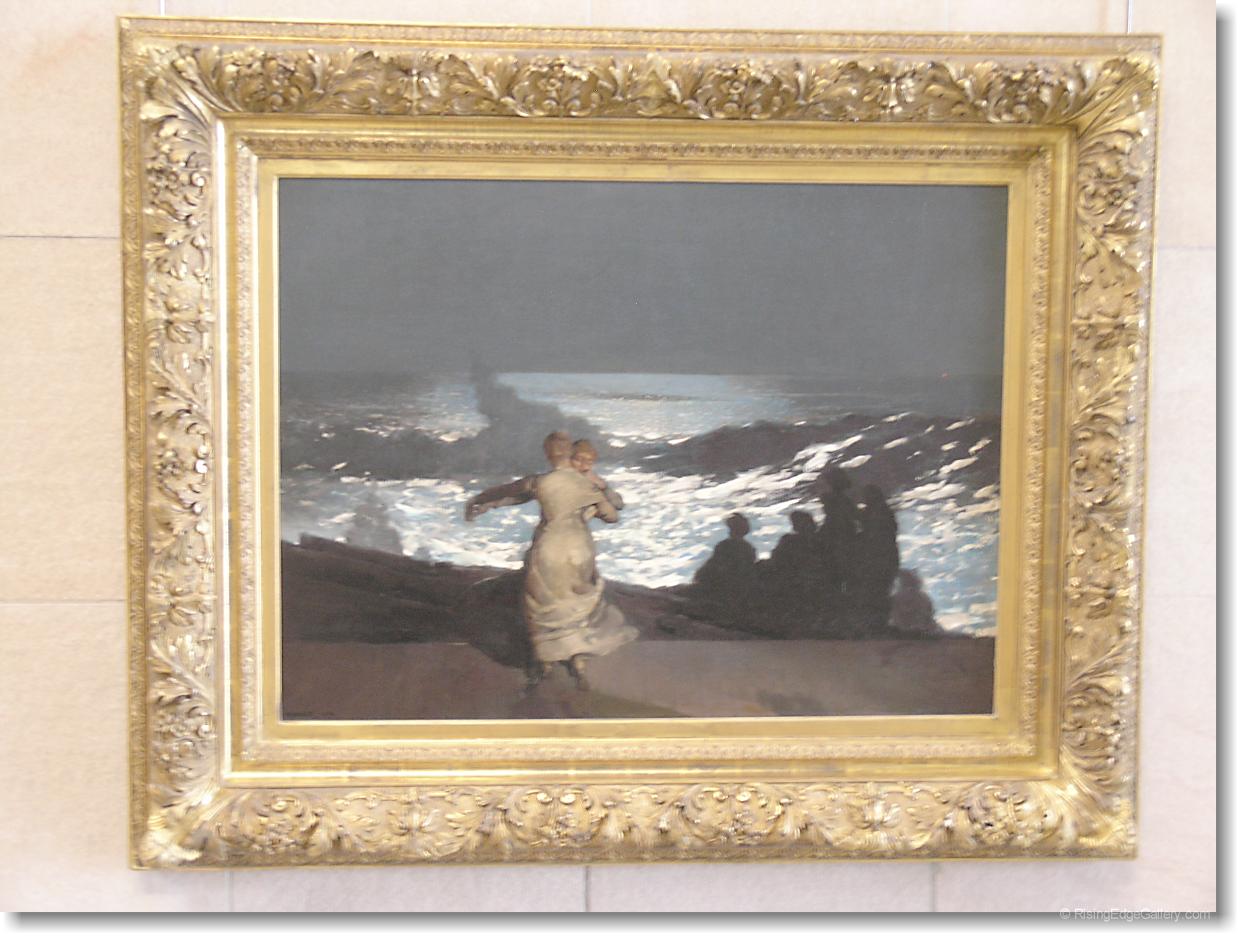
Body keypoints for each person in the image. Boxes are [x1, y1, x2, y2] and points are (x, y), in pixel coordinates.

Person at [464, 431, 637, 689]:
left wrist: (481, 502)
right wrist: (593, 503)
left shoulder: (539, 481)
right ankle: (577, 659)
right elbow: (612, 515)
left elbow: (509, 492)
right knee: (575, 602)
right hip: (579, 548)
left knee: (541, 603)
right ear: (570, 454)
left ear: (547, 454)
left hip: (550, 547)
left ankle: (544, 661)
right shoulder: (585, 483)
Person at [693, 512, 758, 607]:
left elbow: (710, 569)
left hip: (723, 590)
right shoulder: (748, 548)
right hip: (737, 590)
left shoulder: (724, 545)